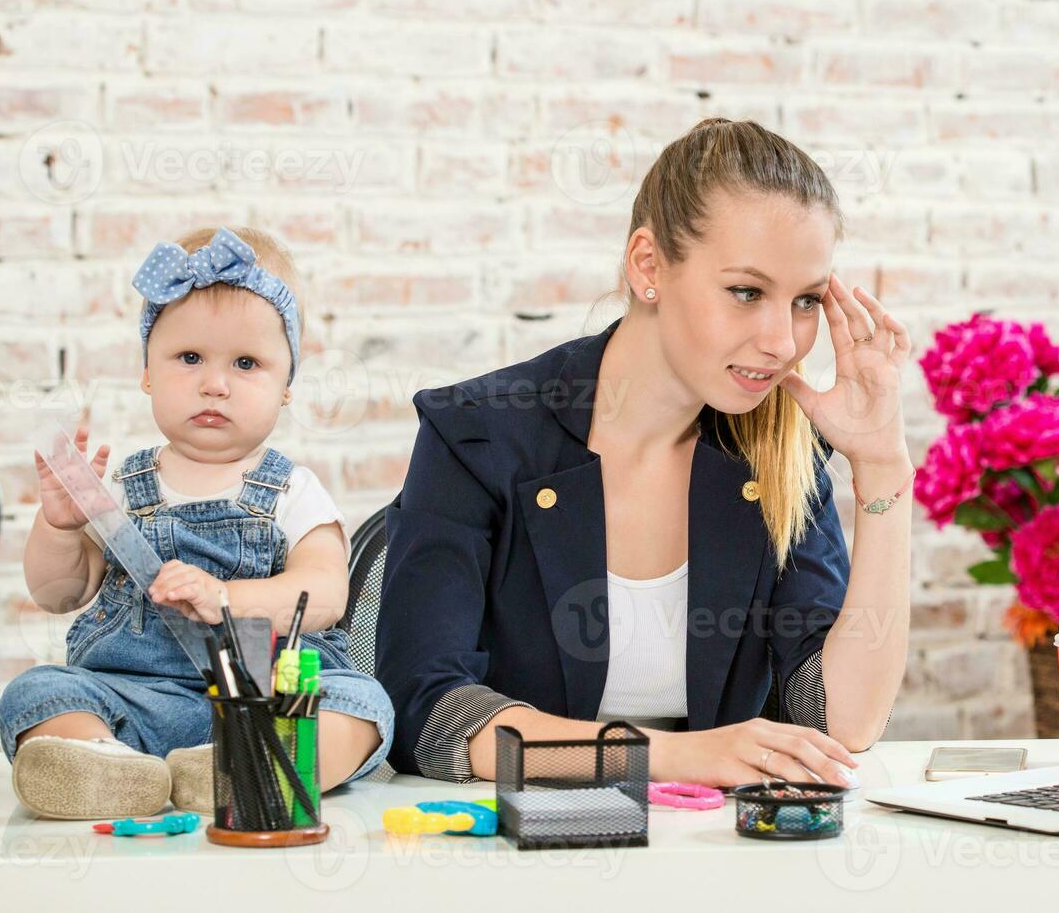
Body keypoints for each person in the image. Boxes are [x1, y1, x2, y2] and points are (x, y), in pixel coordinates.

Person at [377, 119, 914, 786]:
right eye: (746, 292)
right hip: (515, 856)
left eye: (805, 300)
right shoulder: (479, 432)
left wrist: (882, 468)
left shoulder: (778, 447)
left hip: (709, 854)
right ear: (648, 266)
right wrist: (681, 757)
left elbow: (844, 721)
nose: (783, 340)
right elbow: (431, 715)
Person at [0, 226, 394, 819]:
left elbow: (327, 596)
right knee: (37, 693)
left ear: (287, 386)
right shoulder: (124, 491)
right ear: (147, 373)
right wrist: (58, 528)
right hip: (137, 700)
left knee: (364, 704)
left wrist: (225, 596)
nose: (215, 383)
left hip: (266, 699)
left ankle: (250, 764)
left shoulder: (293, 492)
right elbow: (58, 593)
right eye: (189, 358)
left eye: (246, 362)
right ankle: (108, 766)